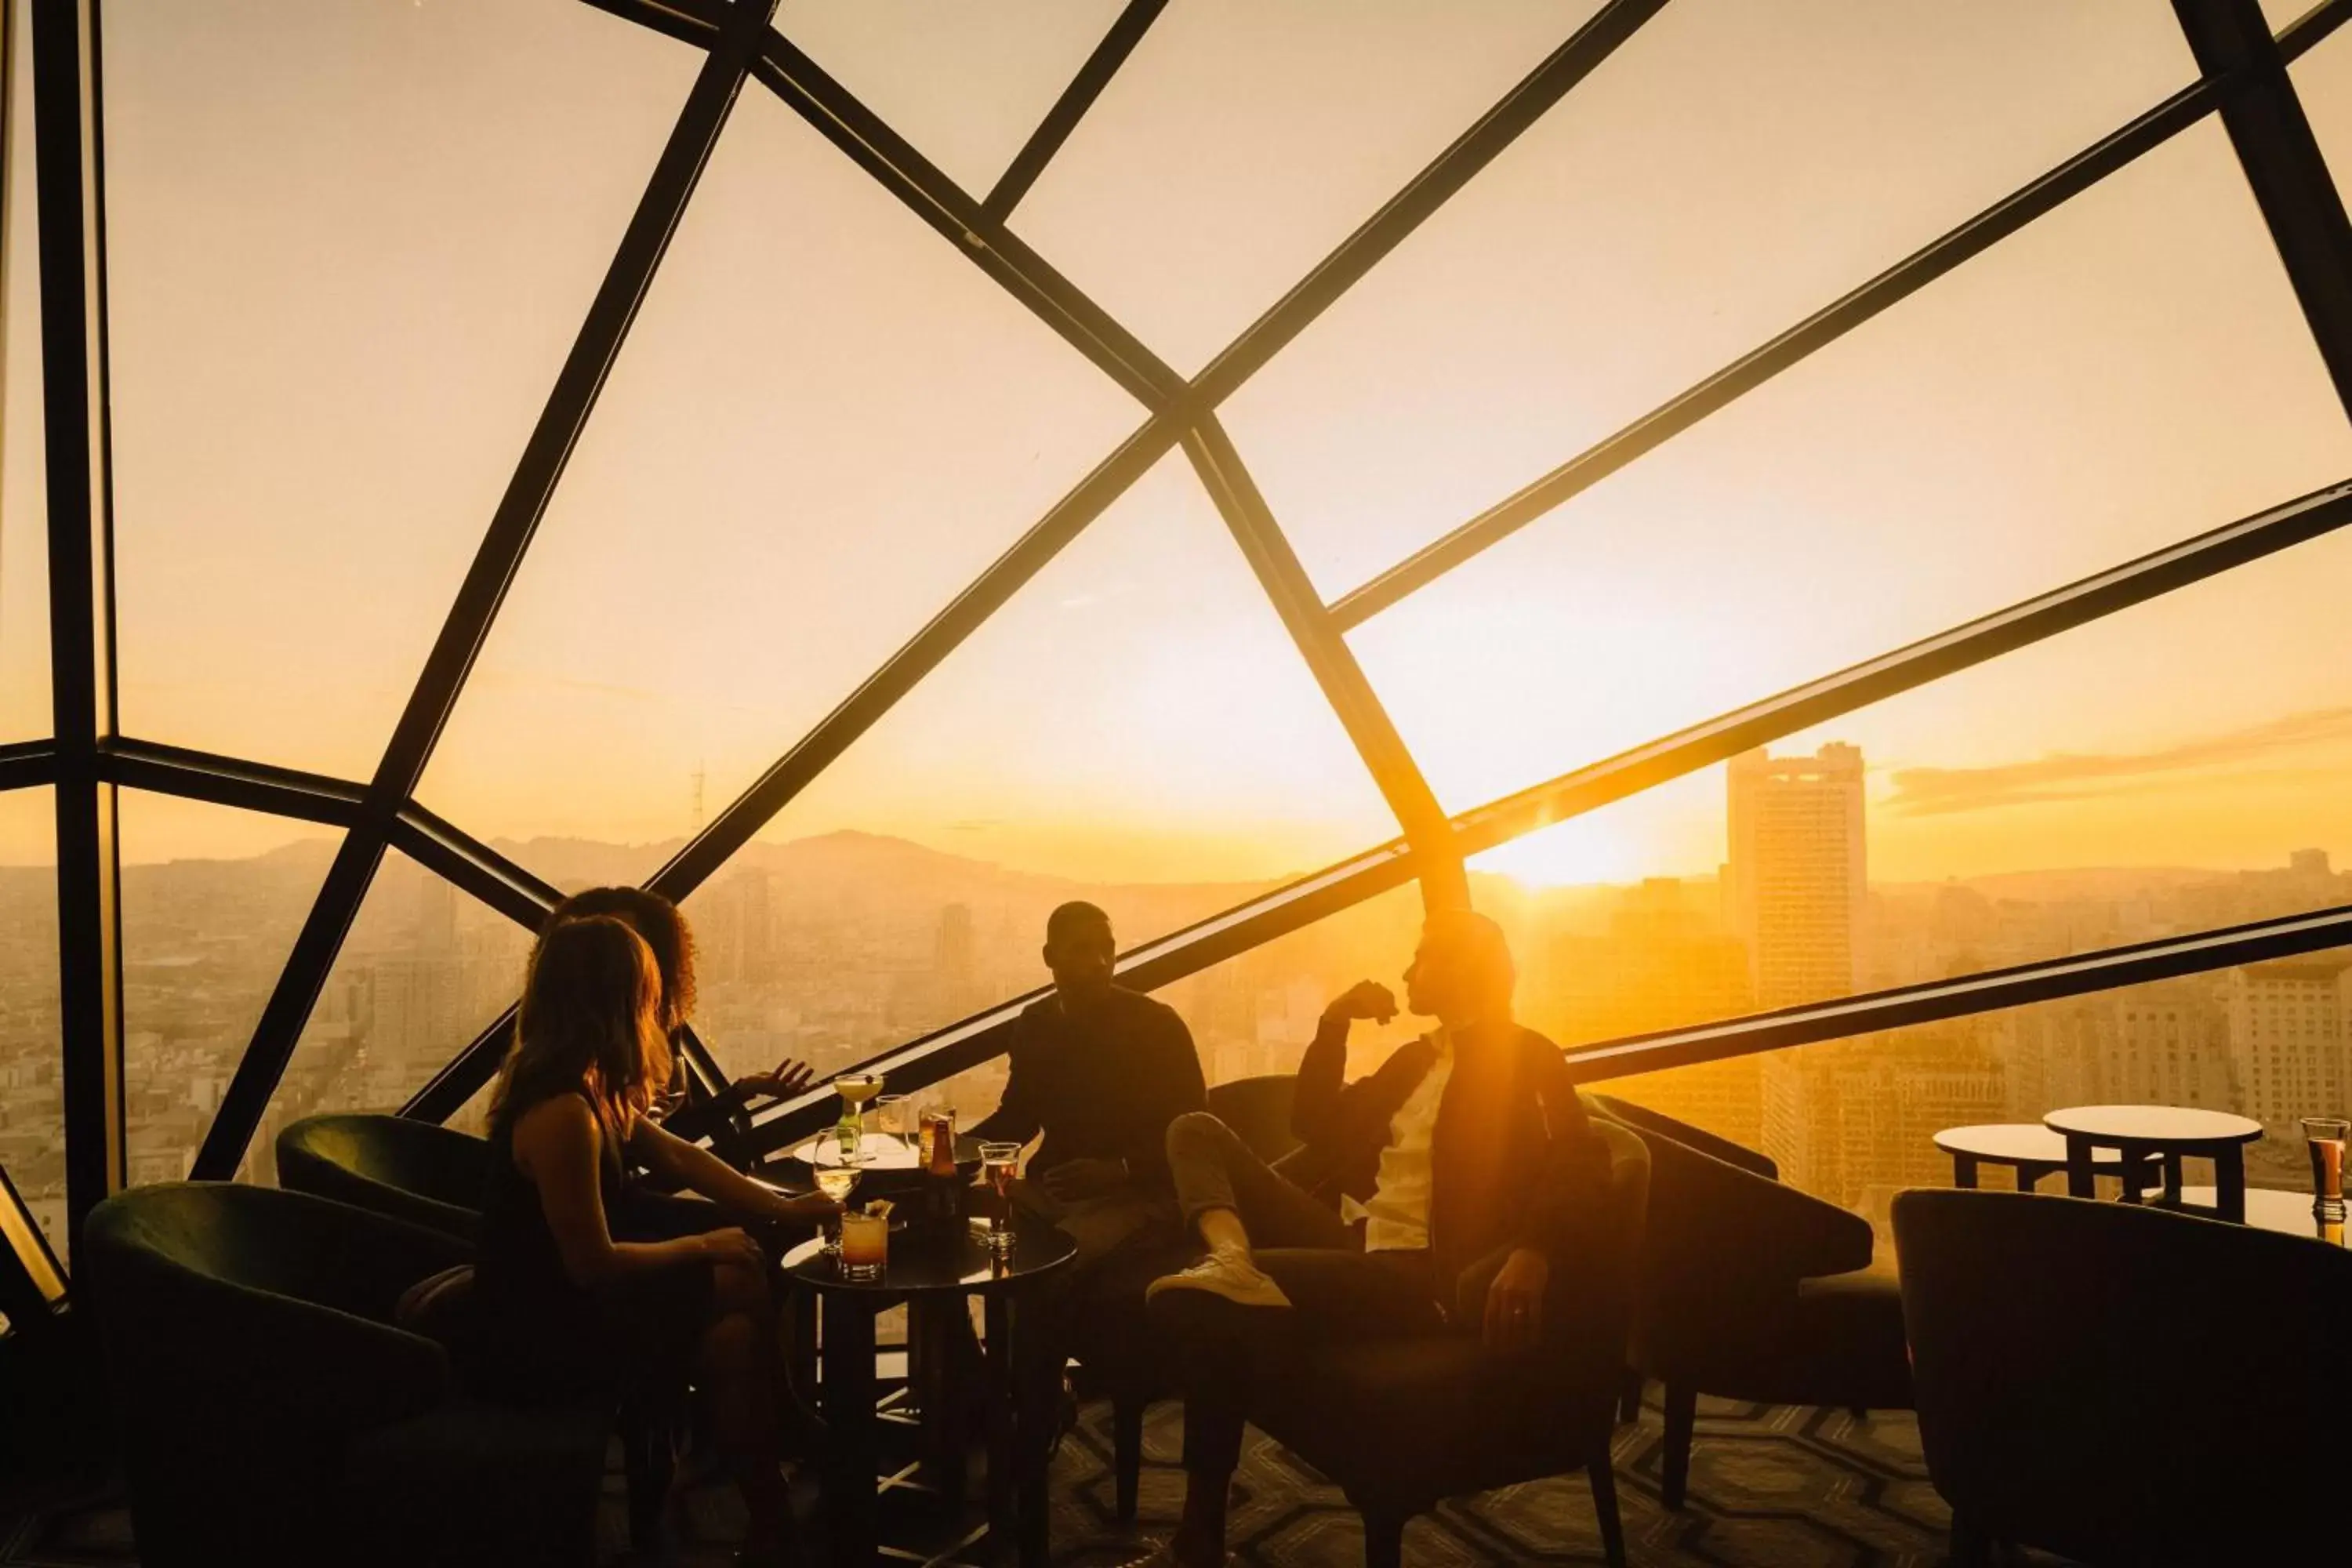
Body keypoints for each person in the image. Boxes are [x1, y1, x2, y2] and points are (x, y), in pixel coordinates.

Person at [1139, 909, 1607, 1568]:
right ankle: (1232, 1256)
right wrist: (1334, 1023)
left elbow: (1582, 1162)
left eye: (1422, 959)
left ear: (1462, 969)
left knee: (1213, 1310)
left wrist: (1533, 1251)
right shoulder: (1415, 1059)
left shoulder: (1528, 1055)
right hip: (1358, 1242)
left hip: (1421, 1276)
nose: (1408, 973)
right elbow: (1317, 1125)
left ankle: (1198, 1540)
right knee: (1193, 1129)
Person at [473, 916, 837, 1568]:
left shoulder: (591, 1087)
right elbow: (590, 1264)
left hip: (568, 1307)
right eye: (647, 992)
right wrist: (706, 1247)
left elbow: (681, 1160)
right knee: (742, 1275)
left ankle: (770, 1507)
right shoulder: (563, 1115)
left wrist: (783, 1209)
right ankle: (776, 1468)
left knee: (734, 1333)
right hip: (541, 1337)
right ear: (619, 1001)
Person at [971, 901, 1207, 1267]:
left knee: (1053, 1262)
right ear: (1050, 957)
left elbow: (1195, 1137)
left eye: (1107, 949)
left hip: (1140, 1198)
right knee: (954, 1233)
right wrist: (950, 1154)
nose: (1100, 962)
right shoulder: (1036, 1023)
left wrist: (1121, 1170)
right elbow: (1019, 1117)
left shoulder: (1157, 1027)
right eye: (1083, 949)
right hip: (1051, 1192)